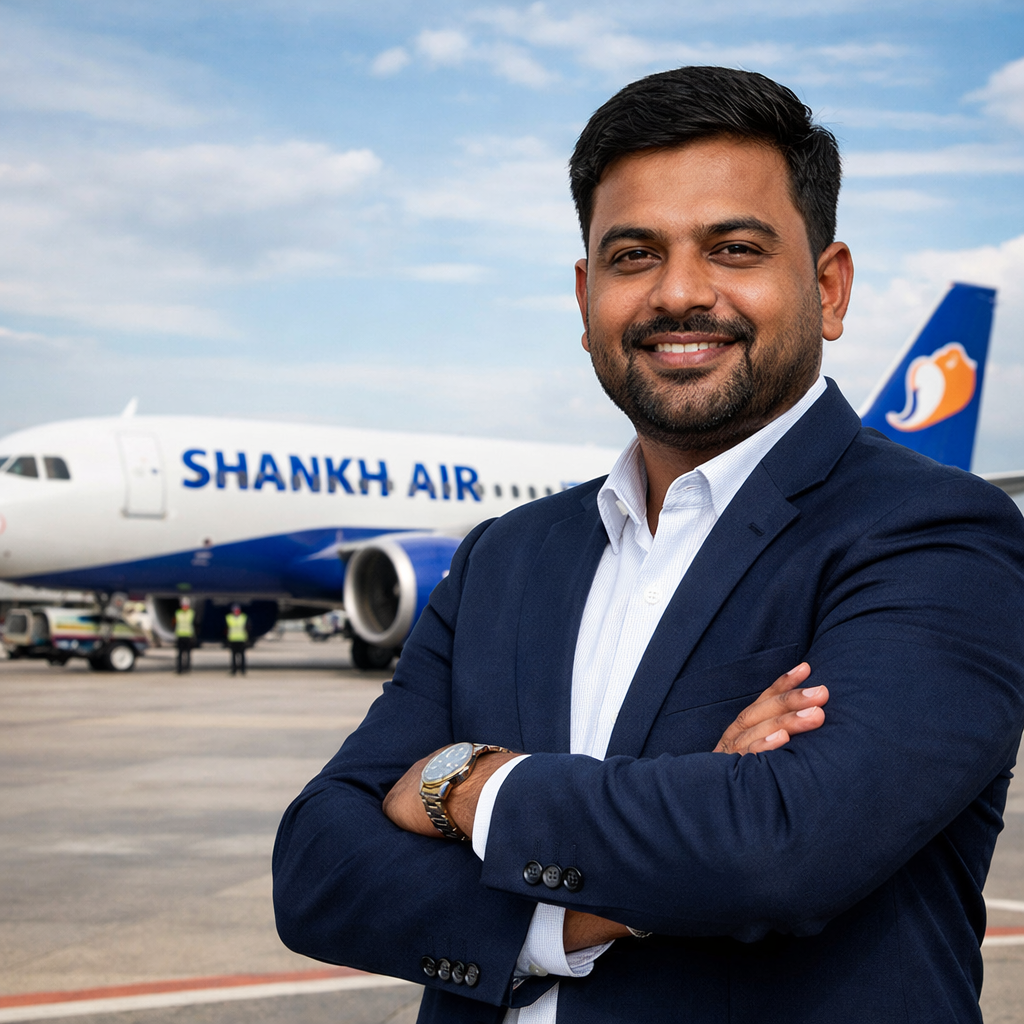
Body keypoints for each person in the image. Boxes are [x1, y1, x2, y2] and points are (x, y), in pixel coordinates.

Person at [273, 66, 1024, 1024]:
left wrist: (464, 782)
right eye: (634, 256)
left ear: (829, 290)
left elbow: (782, 851)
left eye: (735, 248)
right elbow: (315, 871)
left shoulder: (935, 534)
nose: (679, 293)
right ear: (587, 299)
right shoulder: (505, 555)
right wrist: (581, 915)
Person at [225, 604, 248, 676]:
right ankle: (234, 670)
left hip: (241, 639)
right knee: (233, 656)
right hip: (232, 639)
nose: (236, 611)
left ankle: (243, 670)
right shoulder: (229, 618)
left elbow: (248, 628)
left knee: (242, 656)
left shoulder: (244, 617)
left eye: (237, 610)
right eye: (235, 610)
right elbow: (226, 629)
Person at [174, 597, 194, 674]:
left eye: (186, 606)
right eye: (183, 606)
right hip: (180, 636)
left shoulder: (191, 613)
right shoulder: (178, 613)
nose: (185, 607)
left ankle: (187, 668)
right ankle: (179, 668)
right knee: (179, 654)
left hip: (188, 636)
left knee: (188, 654)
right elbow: (174, 623)